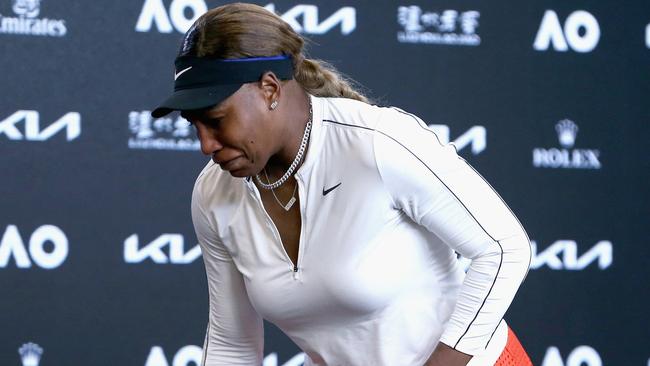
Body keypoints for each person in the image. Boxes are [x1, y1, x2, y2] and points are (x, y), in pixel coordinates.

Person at [151, 3, 533, 366]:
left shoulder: (377, 141)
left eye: (216, 120)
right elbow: (231, 342)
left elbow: (503, 249)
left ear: (269, 89)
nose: (205, 145)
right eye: (194, 125)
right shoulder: (212, 194)